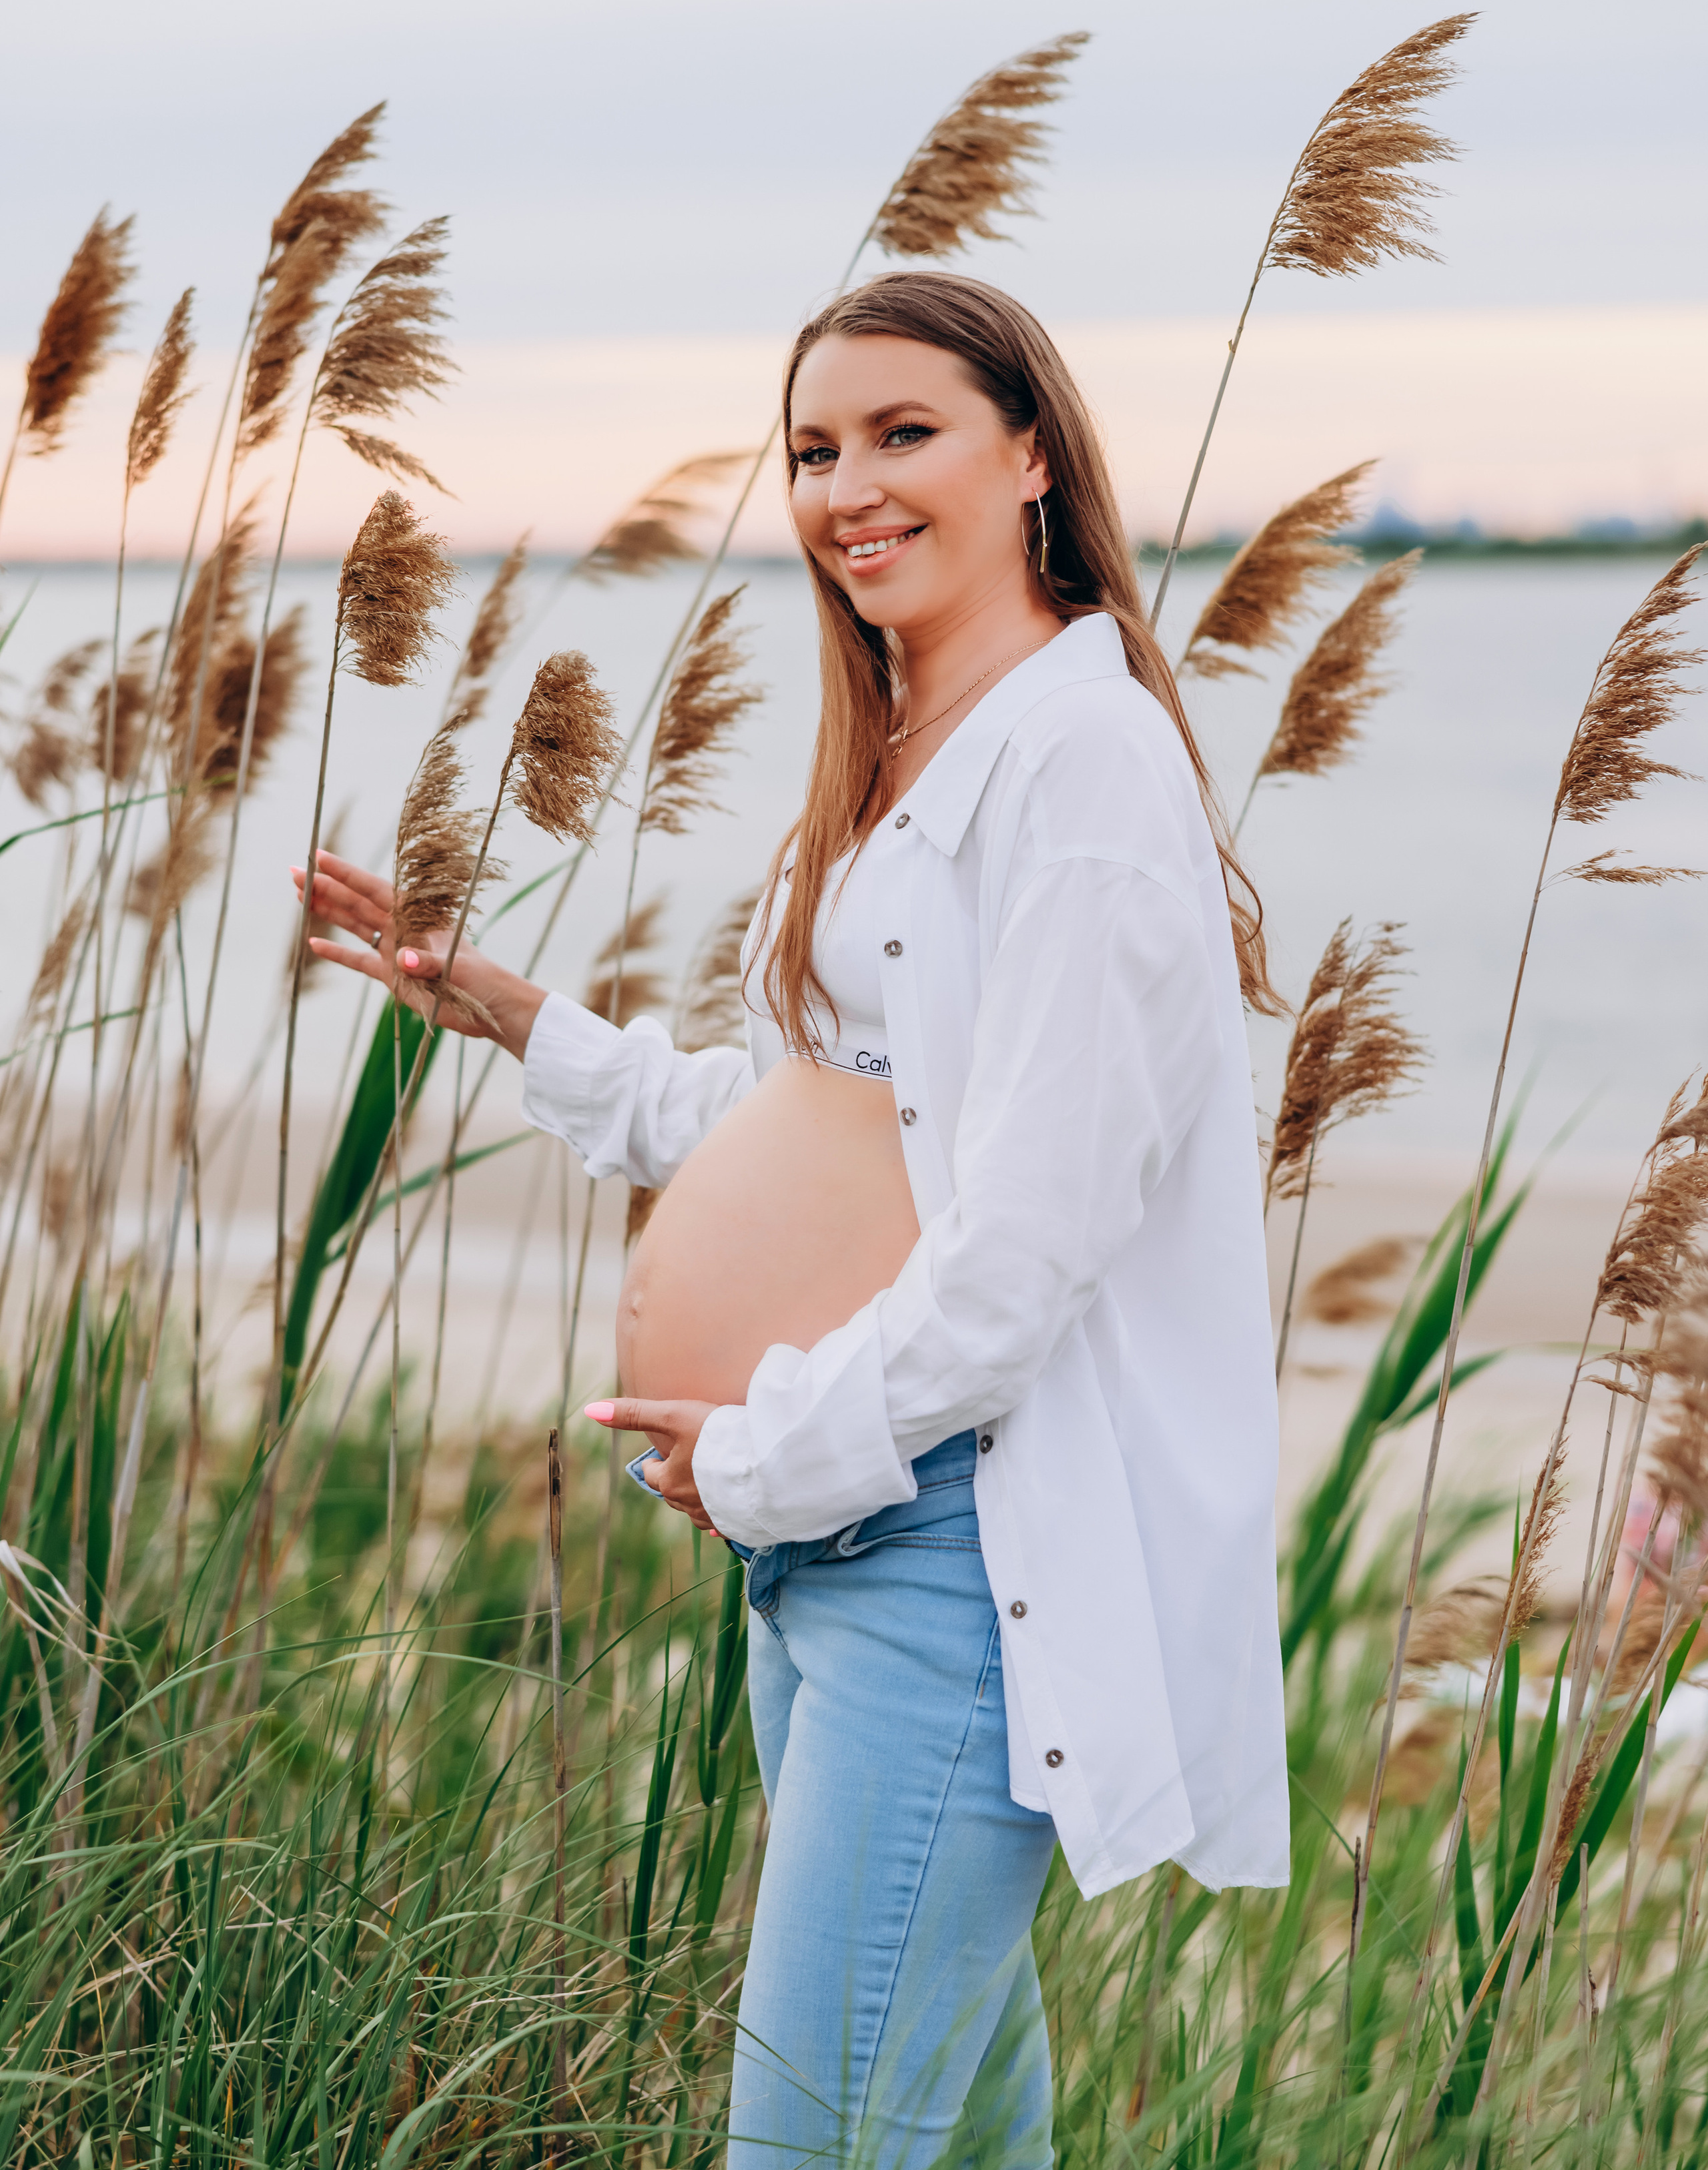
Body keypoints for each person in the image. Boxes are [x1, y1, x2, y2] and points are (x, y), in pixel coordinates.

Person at [297, 272, 1290, 2169]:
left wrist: (763, 1455)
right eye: (816, 450)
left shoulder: (1082, 765)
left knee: (816, 2144)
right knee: (955, 2141)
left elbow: (1020, 1258)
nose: (851, 488)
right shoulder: (910, 745)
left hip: (952, 1553)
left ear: (1033, 457)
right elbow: (824, 1131)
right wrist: (518, 1017)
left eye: (906, 433)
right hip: (835, 1545)